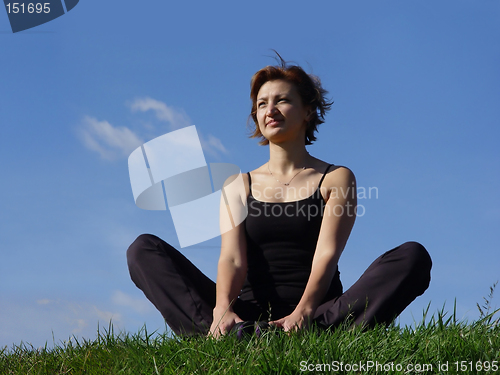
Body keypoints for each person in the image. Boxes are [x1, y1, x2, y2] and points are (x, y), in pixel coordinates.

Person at [126, 55, 432, 338]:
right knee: (143, 250)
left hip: (318, 313)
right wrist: (222, 310)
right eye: (261, 104)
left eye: (282, 100)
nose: (269, 110)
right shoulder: (237, 185)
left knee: (412, 257)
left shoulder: (336, 178)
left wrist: (304, 311)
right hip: (248, 316)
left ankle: (311, 333)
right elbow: (232, 259)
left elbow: (326, 255)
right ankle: (224, 334)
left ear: (308, 111)